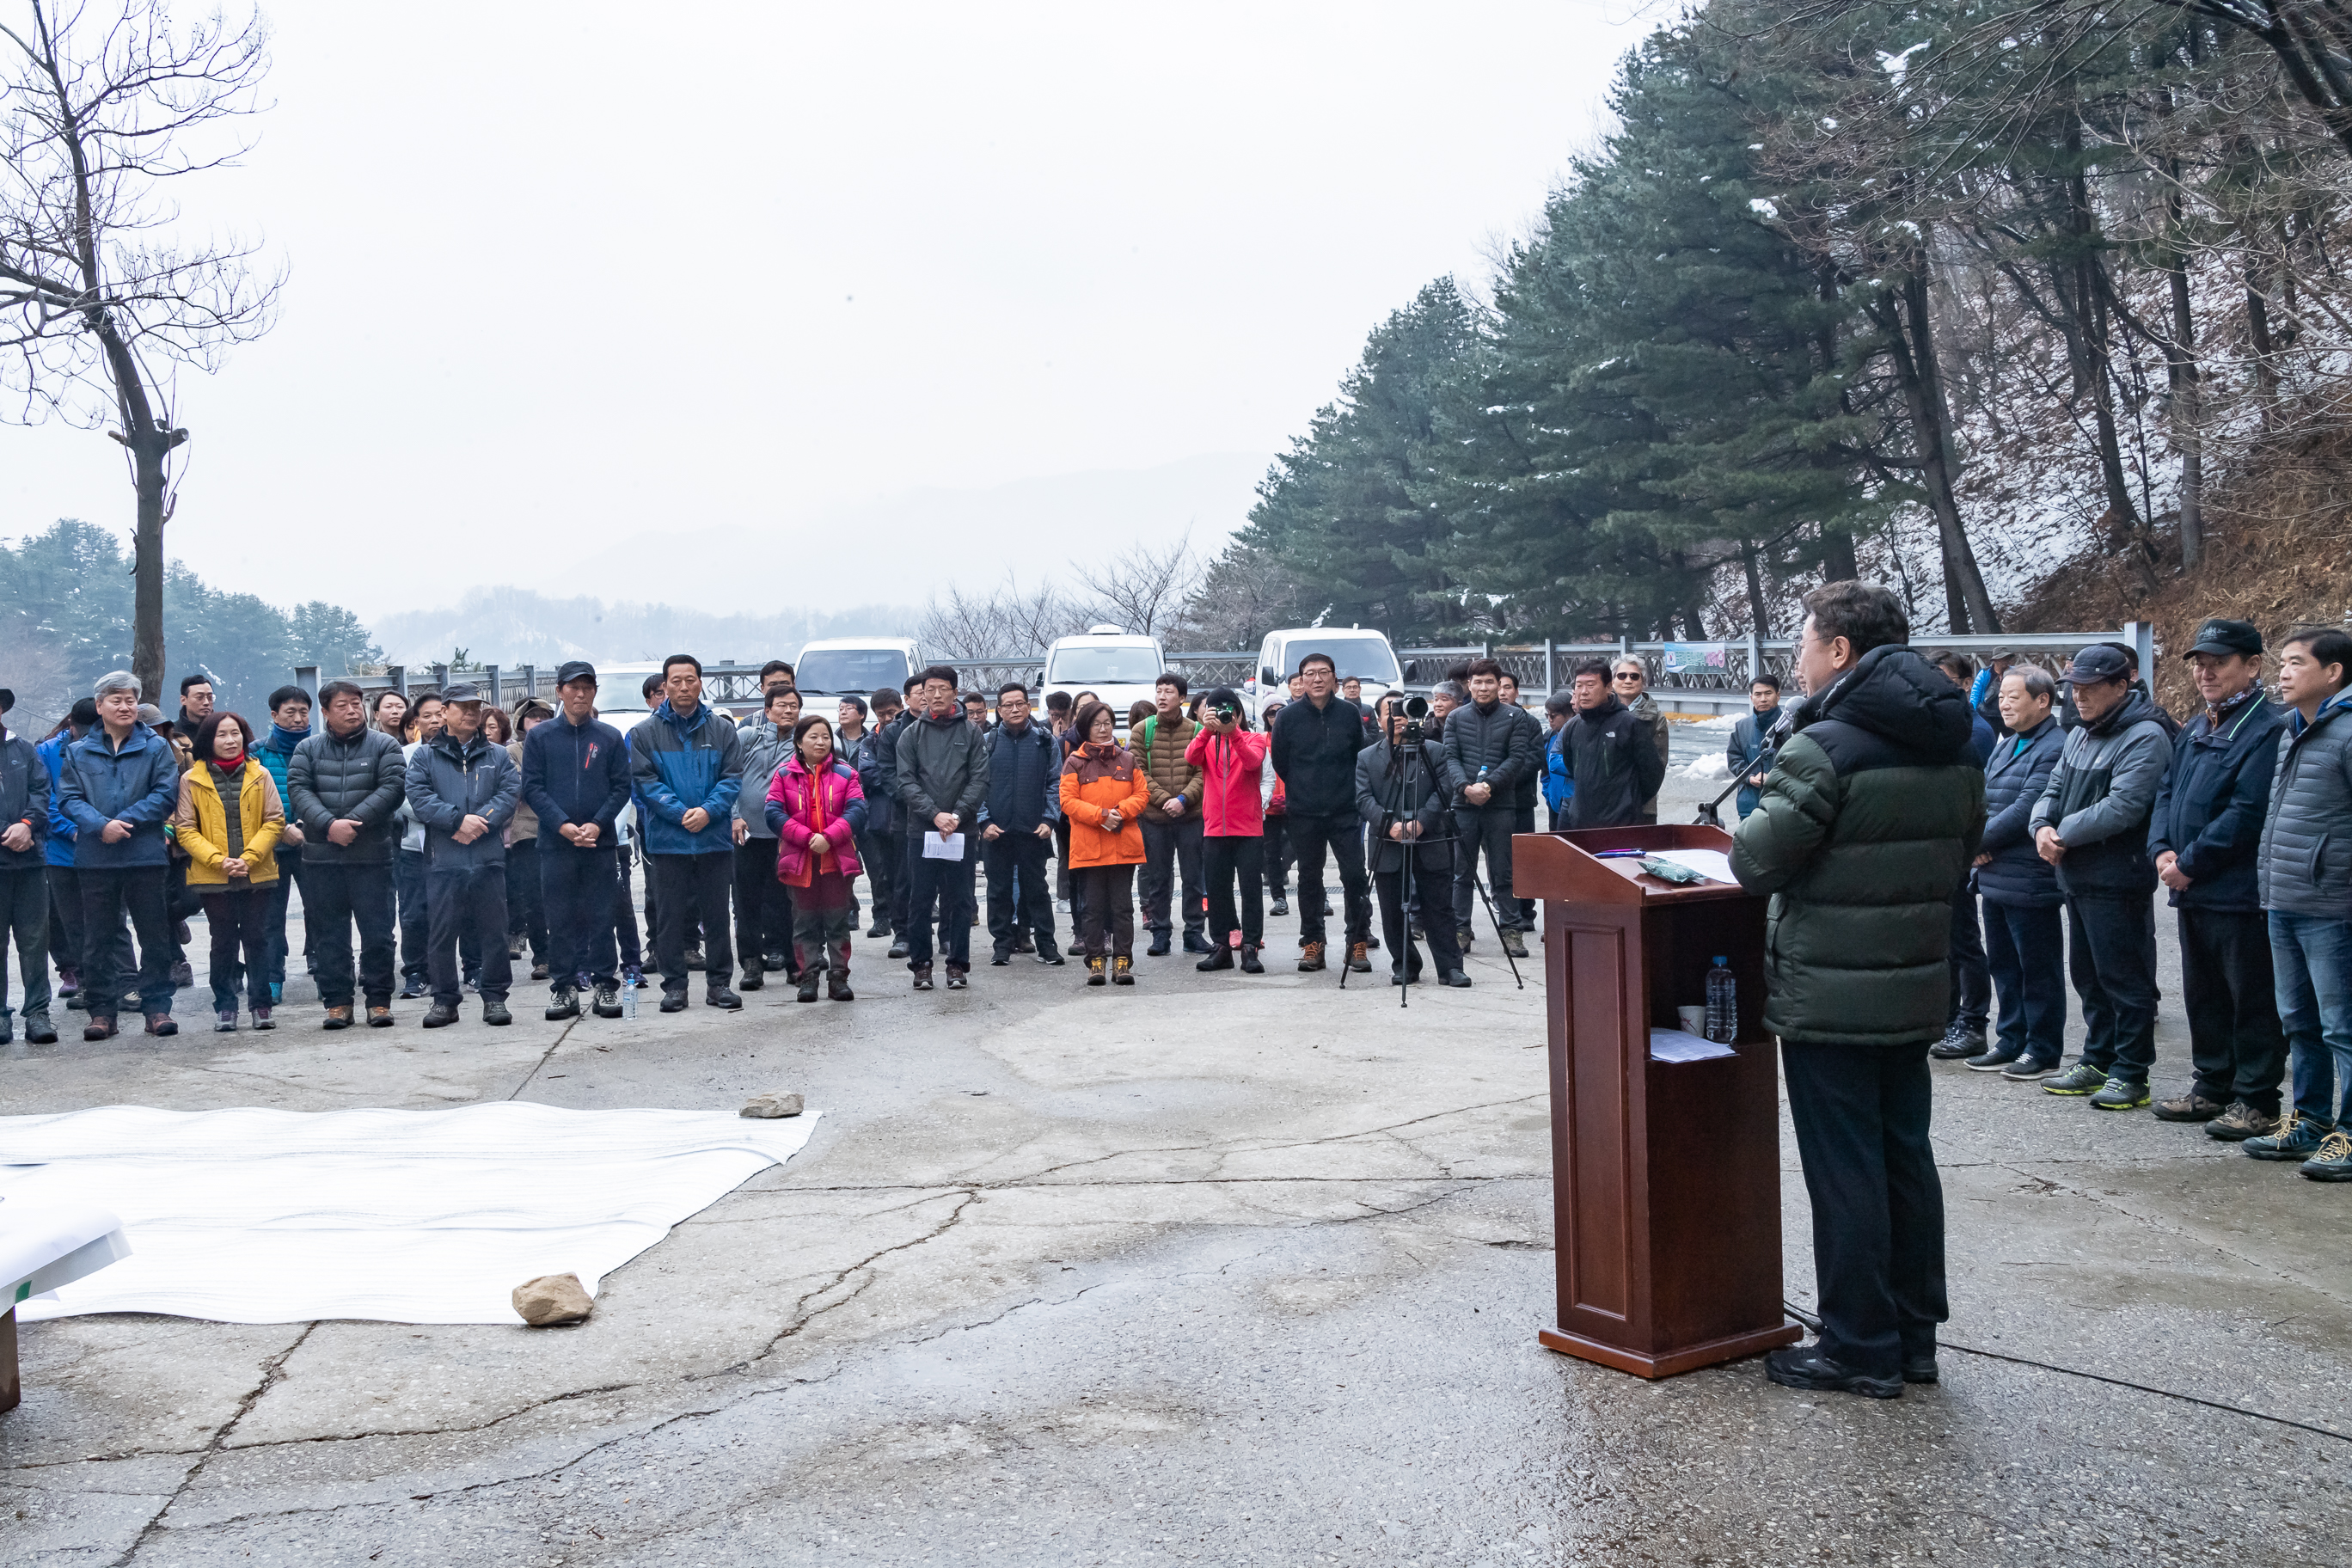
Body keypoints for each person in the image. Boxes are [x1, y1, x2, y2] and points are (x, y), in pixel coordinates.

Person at [1730, 581, 1982, 1400]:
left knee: (1844, 1171)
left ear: (1840, 650)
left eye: (1804, 644)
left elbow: (1756, 862)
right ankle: (1912, 1340)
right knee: (1905, 1160)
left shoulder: (1826, 746)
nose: (1796, 661)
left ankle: (1856, 1345)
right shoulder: (1957, 738)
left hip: (1832, 996)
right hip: (1912, 984)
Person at [2147, 619, 2290, 1135]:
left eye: (2219, 662)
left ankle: (2256, 1099)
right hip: (2191, 885)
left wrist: (2189, 863)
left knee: (2250, 996)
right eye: (2200, 664)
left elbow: (2248, 813)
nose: (2206, 672)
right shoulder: (2198, 724)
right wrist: (2161, 849)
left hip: (2237, 891)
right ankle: (2212, 1086)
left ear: (2253, 666)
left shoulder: (2268, 728)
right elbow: (2167, 791)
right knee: (2203, 993)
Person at [2029, 645, 2173, 1110]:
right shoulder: (2080, 733)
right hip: (2077, 874)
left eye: (2091, 688)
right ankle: (2097, 1058)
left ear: (2121, 685)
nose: (2080, 697)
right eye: (2075, 688)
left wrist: (2061, 834)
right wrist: (2041, 827)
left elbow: (2125, 806)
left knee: (2124, 979)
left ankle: (2131, 1071)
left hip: (2117, 875)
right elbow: (2052, 787)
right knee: (2088, 975)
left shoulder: (2145, 735)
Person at [2244, 627, 2352, 1175]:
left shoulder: (2349, 732)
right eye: (2281, 662)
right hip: (2283, 899)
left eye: (2295, 663)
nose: (2282, 673)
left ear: (2332, 673)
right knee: (2300, 1021)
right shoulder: (2292, 730)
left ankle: (2350, 1133)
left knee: (2343, 1026)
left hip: (2333, 907)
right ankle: (2309, 1120)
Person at [57, 671, 184, 1038]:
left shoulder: (156, 747)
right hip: (96, 856)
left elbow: (165, 794)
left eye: (130, 700)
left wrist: (122, 822)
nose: (125, 706)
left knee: (155, 935)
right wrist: (100, 826)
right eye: (116, 700)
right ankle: (102, 1013)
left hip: (144, 854)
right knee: (97, 938)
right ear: (100, 707)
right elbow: (68, 798)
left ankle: (157, 1009)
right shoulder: (78, 751)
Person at [1968, 665, 2068, 1078]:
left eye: (2013, 697)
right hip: (1994, 874)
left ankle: (2042, 1048)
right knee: (2004, 965)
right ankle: (2010, 1040)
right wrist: (1976, 841)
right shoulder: (2005, 743)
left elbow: (2027, 807)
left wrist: (1975, 843)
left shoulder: (2055, 745)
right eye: (2001, 697)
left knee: (2037, 967)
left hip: (2030, 874)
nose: (2002, 704)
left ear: (2043, 701)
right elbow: (1984, 797)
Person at [289, 680, 407, 1029]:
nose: (352, 710)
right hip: (321, 858)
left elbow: (393, 787)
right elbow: (298, 790)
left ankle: (379, 1001)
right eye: (342, 705)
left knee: (379, 933)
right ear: (325, 712)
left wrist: (352, 823)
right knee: (329, 934)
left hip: (372, 855)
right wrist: (328, 826)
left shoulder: (385, 745)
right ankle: (337, 1002)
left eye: (357, 703)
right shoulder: (307, 749)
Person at [632, 654, 745, 1012]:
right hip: (669, 841)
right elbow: (645, 782)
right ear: (664, 686)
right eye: (676, 680)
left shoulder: (722, 730)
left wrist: (709, 812)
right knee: (669, 915)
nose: (683, 687)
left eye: (690, 679)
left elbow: (731, 779)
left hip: (713, 840)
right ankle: (675, 986)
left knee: (716, 915)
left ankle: (718, 984)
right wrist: (681, 814)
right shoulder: (644, 733)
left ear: (701, 683)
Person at [405, 683, 521, 1027]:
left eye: (475, 707)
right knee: (442, 932)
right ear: (444, 712)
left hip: (488, 857)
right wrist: (457, 821)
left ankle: (495, 998)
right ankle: (445, 1000)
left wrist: (479, 822)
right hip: (444, 859)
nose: (471, 713)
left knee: (495, 932)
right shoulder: (425, 756)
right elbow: (419, 796)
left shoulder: (497, 755)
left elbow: (508, 793)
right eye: (462, 707)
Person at [522, 662, 633, 1020]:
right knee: (561, 918)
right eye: (573, 688)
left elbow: (621, 787)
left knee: (603, 915)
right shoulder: (541, 737)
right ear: (560, 692)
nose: (580, 694)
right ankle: (564, 988)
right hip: (556, 845)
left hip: (599, 843)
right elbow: (533, 788)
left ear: (595, 691)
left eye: (587, 687)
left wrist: (599, 825)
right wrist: (563, 826)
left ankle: (604, 985)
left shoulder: (609, 736)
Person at [174, 711, 285, 1032]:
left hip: (257, 871)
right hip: (214, 875)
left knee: (257, 939)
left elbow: (275, 820)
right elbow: (185, 828)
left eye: (235, 733)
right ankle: (225, 1006)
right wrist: (218, 860)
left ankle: (261, 1005)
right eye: (222, 734)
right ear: (209, 739)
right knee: (222, 942)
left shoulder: (260, 774)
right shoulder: (191, 779)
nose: (230, 740)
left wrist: (249, 858)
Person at [1271, 653, 1375, 974]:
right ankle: (1312, 941)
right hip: (1304, 810)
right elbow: (1280, 762)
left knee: (1355, 875)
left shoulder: (1349, 713)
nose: (1317, 679)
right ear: (1301, 680)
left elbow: (1361, 756)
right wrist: (1304, 788)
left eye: (1323, 673)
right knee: (1309, 878)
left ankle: (1356, 940)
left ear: (1334, 679)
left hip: (1345, 809)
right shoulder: (1288, 717)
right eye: (1310, 674)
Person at [1358, 693, 1468, 987]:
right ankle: (1405, 964)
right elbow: (1363, 798)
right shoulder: (1367, 757)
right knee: (1393, 909)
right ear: (1380, 719)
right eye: (1390, 712)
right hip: (1387, 842)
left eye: (1403, 712)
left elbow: (1445, 791)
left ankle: (1450, 967)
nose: (1397, 719)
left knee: (1440, 907)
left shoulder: (1434, 752)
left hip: (1429, 838)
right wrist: (1389, 825)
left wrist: (1421, 822)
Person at [893, 665, 989, 989]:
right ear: (922, 693)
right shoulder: (911, 734)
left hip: (962, 829)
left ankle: (957, 964)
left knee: (960, 900)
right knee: (920, 900)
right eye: (929, 689)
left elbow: (979, 779)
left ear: (954, 693)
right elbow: (906, 782)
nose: (935, 695)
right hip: (922, 830)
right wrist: (934, 814)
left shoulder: (971, 733)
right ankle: (921, 965)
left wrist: (958, 815)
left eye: (942, 689)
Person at [1440, 658, 1539, 961]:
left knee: (1503, 871)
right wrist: (1465, 787)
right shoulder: (1456, 718)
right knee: (1461, 872)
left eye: (1489, 682)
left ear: (1499, 685)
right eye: (1477, 682)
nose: (1483, 687)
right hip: (1463, 804)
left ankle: (1511, 930)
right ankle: (1460, 928)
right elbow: (1450, 758)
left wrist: (1490, 786)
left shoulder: (1515, 717)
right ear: (1468, 685)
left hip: (1501, 804)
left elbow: (1517, 757)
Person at [766, 713, 867, 1001]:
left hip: (836, 859)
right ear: (799, 742)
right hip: (800, 860)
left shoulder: (847, 774)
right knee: (804, 923)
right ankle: (807, 977)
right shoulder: (784, 775)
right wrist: (807, 838)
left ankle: (838, 978)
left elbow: (857, 811)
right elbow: (773, 813)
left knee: (837, 922)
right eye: (813, 736)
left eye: (825, 736)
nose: (821, 742)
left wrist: (830, 838)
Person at [1927, 653, 1998, 1061]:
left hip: (1960, 847)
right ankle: (1949, 1016)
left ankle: (1971, 1022)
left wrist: (1977, 843)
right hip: (1940, 847)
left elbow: (1980, 795)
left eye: (1947, 678)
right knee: (1945, 942)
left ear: (1965, 682)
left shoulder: (1975, 730)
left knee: (1965, 941)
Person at [1059, 699, 1147, 985]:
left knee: (1123, 908)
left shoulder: (1127, 759)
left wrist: (1119, 813)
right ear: (1086, 727)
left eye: (1107, 723)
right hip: (1090, 848)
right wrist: (1101, 816)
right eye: (1096, 724)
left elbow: (1141, 795)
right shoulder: (1075, 762)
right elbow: (1068, 801)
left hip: (1123, 845)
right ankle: (1095, 962)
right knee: (1092, 908)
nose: (1102, 728)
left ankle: (1123, 962)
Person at [1185, 688, 1268, 973]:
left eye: (1228, 711)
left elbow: (1253, 762)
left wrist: (1233, 733)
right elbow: (1191, 757)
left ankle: (1250, 947)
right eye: (1216, 710)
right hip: (1214, 828)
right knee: (1218, 891)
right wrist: (1206, 731)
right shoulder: (1207, 741)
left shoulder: (1254, 738)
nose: (1223, 716)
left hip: (1248, 829)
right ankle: (1221, 946)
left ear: (1239, 713)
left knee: (1251, 890)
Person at [981, 683, 1061, 967]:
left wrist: (1050, 819)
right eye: (1008, 705)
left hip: (1033, 830)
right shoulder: (987, 741)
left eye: (1020, 704)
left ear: (1029, 707)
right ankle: (1001, 945)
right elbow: (976, 784)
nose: (1015, 709)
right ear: (999, 710)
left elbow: (1055, 783)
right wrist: (984, 821)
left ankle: (1046, 944)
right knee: (998, 890)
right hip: (995, 831)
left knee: (1036, 890)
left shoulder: (1045, 741)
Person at [730, 685, 799, 990]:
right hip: (746, 835)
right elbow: (728, 777)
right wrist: (734, 815)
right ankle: (751, 964)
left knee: (786, 902)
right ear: (767, 710)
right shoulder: (748, 737)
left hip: (786, 836)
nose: (788, 711)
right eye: (781, 705)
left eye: (793, 706)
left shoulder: (804, 742)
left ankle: (792, 962)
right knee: (747, 902)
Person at [1133, 673, 1207, 958]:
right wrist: (1166, 800)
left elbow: (1203, 772)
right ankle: (1160, 932)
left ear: (1183, 698)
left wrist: (1184, 799)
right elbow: (1139, 771)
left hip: (1190, 816)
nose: (1162, 697)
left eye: (1169, 692)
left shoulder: (1197, 730)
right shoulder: (1142, 730)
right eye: (1159, 691)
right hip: (1155, 817)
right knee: (1158, 877)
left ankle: (1194, 933)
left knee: (1192, 877)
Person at [0, 685, 56, 1044]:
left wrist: (28, 825)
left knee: (35, 941)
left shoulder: (23, 749)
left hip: (29, 862)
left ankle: (37, 1013)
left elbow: (43, 791)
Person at [1556, 660, 1668, 830]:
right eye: (1579, 686)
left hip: (1621, 823)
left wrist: (1628, 802)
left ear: (1608, 687)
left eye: (1591, 685)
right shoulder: (1574, 726)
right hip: (1581, 821)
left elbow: (1652, 774)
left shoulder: (1629, 724)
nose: (1584, 692)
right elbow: (1571, 766)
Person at [253, 686, 312, 1001]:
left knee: (320, 911)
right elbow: (249, 801)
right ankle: (272, 978)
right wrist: (281, 829)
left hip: (312, 844)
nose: (298, 719)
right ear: (274, 715)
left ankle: (323, 969)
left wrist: (303, 825)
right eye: (290, 712)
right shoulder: (257, 752)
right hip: (269, 849)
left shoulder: (319, 748)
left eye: (304, 712)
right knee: (270, 918)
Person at [392, 691, 447, 999]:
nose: (435, 720)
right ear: (416, 722)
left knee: (464, 912)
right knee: (414, 913)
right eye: (427, 716)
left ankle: (474, 968)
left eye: (440, 713)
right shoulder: (405, 754)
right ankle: (416, 972)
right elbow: (401, 797)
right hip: (415, 844)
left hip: (459, 843)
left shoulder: (467, 752)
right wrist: (443, 816)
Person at [879, 673, 924, 956]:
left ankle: (944, 934)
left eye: (930, 691)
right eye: (919, 692)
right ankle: (903, 933)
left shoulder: (949, 728)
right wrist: (916, 801)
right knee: (904, 878)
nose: (926, 696)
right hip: (905, 816)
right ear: (906, 700)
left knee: (944, 879)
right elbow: (887, 774)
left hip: (943, 817)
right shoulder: (893, 732)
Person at [856, 688, 902, 940]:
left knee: (906, 875)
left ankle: (907, 923)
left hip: (906, 816)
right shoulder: (869, 742)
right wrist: (897, 778)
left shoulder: (910, 735)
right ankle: (882, 918)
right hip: (877, 818)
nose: (886, 719)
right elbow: (869, 775)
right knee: (879, 873)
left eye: (891, 713)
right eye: (881, 714)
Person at [1612, 658, 1671, 824]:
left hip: (1642, 807)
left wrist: (1633, 798)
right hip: (1605, 806)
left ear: (1643, 682)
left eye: (1634, 676)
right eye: (1622, 676)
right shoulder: (1600, 714)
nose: (1628, 681)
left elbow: (1656, 768)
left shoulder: (1656, 718)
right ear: (1612, 681)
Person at [1728, 674, 1782, 820]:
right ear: (1751, 698)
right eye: (1758, 694)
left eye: (1768, 693)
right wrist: (1749, 777)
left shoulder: (1791, 726)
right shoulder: (1742, 727)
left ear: (1778, 695)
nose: (1763, 699)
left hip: (1782, 803)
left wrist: (1773, 777)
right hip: (1749, 804)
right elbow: (1734, 759)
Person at [1259, 698, 1291, 916]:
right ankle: (1279, 898)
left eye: (1280, 711)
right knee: (1271, 855)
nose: (1276, 716)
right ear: (1265, 717)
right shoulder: (1259, 740)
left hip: (1295, 804)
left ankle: (1321, 897)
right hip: (1269, 807)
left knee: (1306, 852)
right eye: (1271, 713)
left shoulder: (1296, 738)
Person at [1540, 690, 1575, 832]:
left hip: (1573, 805)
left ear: (1570, 715)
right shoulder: (1549, 736)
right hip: (1554, 805)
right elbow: (1545, 770)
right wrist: (1548, 794)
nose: (1550, 719)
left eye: (1554, 716)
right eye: (1547, 715)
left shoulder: (1577, 734)